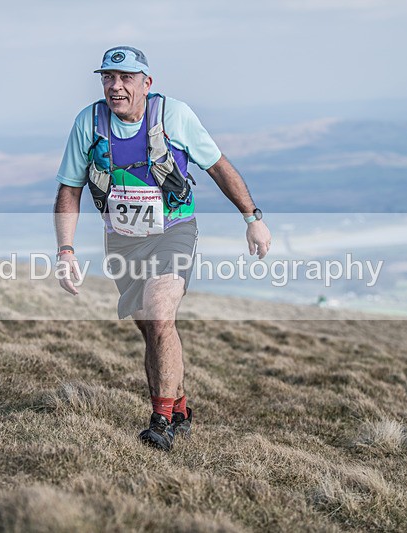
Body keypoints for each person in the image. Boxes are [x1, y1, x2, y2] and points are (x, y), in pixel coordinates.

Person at [53, 46, 272, 451]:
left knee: (158, 313)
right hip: (122, 239)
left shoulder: (174, 115)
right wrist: (65, 250)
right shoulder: (89, 122)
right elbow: (70, 189)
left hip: (174, 231)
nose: (116, 87)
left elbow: (218, 166)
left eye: (126, 78)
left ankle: (161, 422)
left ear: (146, 83)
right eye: (108, 78)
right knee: (152, 327)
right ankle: (180, 406)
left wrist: (252, 217)